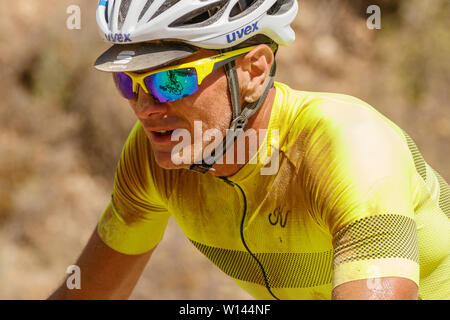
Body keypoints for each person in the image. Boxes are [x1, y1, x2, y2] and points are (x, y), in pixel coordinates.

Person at [49, 0, 449, 300]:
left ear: (254, 71)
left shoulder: (346, 144)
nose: (145, 107)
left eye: (171, 81)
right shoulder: (155, 157)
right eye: (128, 84)